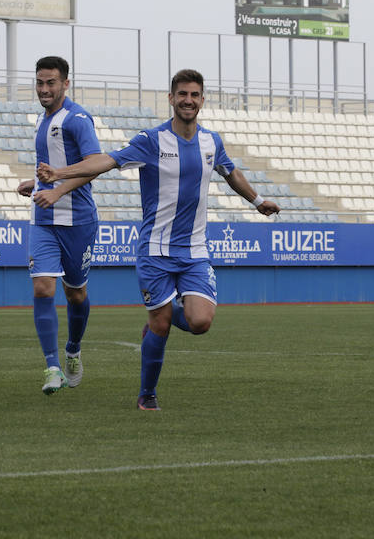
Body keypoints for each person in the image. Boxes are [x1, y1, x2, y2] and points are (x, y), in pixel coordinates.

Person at [37, 68, 281, 410]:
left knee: (200, 322)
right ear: (171, 98)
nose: (188, 100)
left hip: (195, 251)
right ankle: (146, 394)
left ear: (202, 100)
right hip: (155, 251)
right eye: (182, 94)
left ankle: (158, 320)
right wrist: (60, 173)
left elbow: (229, 171)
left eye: (194, 95)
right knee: (162, 324)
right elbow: (107, 161)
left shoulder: (212, 142)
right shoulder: (151, 140)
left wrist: (257, 202)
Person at [16, 55, 102, 395]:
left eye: (51, 82)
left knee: (76, 293)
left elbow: (96, 164)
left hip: (78, 220)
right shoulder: (42, 118)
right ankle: (52, 367)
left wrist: (57, 186)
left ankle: (73, 349)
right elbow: (51, 170)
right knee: (42, 288)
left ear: (66, 83)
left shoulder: (78, 118)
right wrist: (36, 185)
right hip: (44, 219)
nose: (44, 89)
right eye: (40, 83)